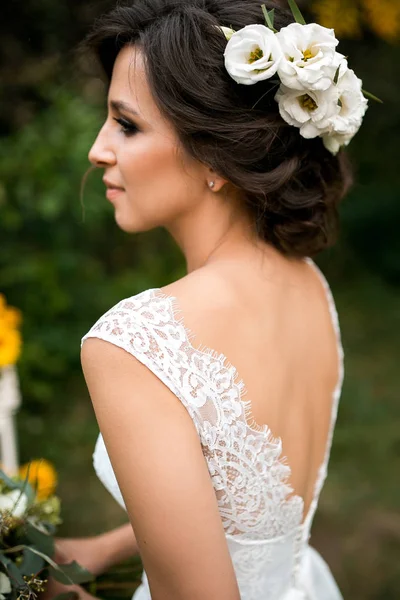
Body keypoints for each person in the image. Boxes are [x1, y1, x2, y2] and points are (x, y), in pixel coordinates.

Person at [44, 0, 368, 598]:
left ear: (214, 154)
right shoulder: (307, 283)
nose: (98, 149)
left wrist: (51, 593)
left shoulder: (137, 345)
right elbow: (251, 517)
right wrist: (108, 547)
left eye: (127, 124)